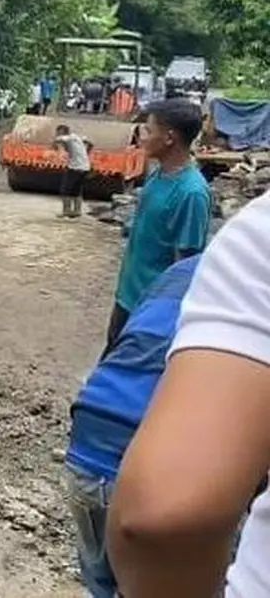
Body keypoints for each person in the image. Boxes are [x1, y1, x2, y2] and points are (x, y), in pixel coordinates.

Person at [107, 191, 270, 598]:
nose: (142, 136)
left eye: (150, 128)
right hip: (140, 305)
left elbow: (163, 514)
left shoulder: (212, 207)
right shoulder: (159, 186)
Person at [65, 254, 203, 598]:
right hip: (156, 466)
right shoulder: (252, 286)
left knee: (100, 587)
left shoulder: (180, 273)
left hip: (88, 440)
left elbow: (119, 344)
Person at [100, 99, 210, 360]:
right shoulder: (157, 175)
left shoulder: (191, 193)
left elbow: (184, 266)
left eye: (148, 130)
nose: (142, 137)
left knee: (122, 380)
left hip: (150, 310)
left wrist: (164, 320)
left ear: (169, 137)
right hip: (128, 296)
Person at [52, 124, 92, 219]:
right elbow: (90, 143)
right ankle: (77, 211)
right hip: (85, 167)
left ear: (62, 132)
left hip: (75, 168)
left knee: (65, 189)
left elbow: (59, 140)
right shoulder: (77, 137)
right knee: (76, 190)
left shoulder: (67, 138)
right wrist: (85, 154)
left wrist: (56, 144)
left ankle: (66, 211)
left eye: (57, 132)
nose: (56, 134)